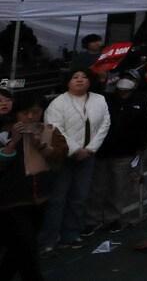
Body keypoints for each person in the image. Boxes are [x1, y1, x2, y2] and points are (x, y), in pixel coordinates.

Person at [39, 67, 110, 253]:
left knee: (79, 197)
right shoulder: (57, 103)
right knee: (57, 199)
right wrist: (76, 150)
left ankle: (71, 234)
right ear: (68, 81)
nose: (80, 80)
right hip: (62, 157)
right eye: (75, 77)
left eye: (84, 77)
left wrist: (91, 149)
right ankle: (49, 239)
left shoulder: (99, 100)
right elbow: (55, 129)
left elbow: (104, 125)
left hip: (88, 156)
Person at [1, 92, 68, 281]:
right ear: (16, 113)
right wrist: (13, 142)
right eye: (25, 113)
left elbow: (60, 157)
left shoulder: (48, 131)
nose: (30, 117)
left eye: (36, 112)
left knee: (19, 248)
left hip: (40, 198)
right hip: (11, 202)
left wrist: (42, 145)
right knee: (27, 246)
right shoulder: (5, 132)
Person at [87, 74, 147, 233]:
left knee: (118, 187)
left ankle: (112, 218)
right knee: (97, 187)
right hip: (102, 149)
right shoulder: (106, 98)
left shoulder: (141, 99)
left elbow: (145, 125)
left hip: (125, 151)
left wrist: (141, 146)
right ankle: (92, 219)